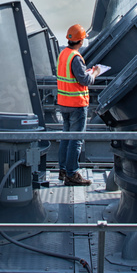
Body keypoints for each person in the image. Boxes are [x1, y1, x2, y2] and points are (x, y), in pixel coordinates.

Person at [56, 23, 99, 186]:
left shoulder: (63, 54)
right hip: (76, 104)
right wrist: (94, 72)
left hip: (64, 103)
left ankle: (63, 170)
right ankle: (72, 173)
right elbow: (85, 80)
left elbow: (70, 76)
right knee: (76, 139)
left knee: (66, 137)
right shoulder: (75, 57)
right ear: (80, 41)